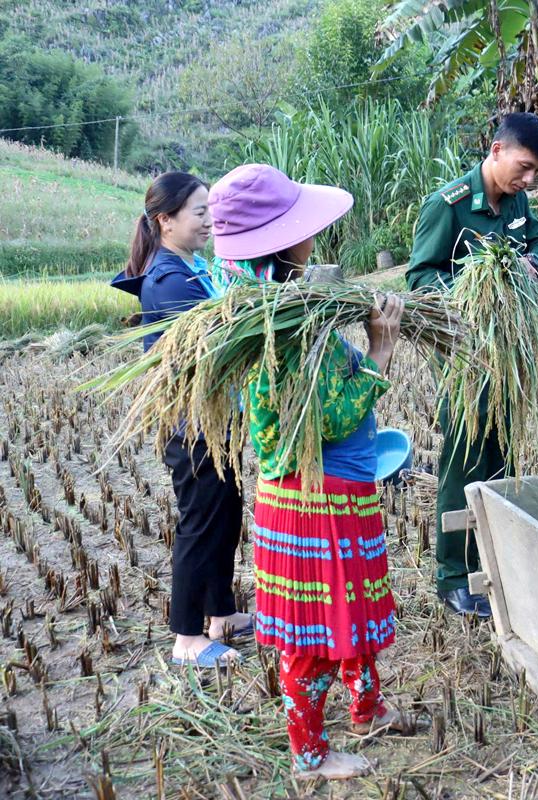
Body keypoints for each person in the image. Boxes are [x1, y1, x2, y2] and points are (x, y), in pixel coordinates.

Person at [209, 163, 410, 779]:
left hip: (334, 495)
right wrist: (378, 352)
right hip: (310, 503)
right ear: (279, 243)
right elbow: (321, 419)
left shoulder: (283, 309)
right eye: (303, 229)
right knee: (317, 635)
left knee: (353, 611)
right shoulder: (278, 330)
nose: (313, 238)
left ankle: (368, 706)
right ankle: (308, 753)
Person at [407, 112, 538, 618]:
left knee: (505, 455)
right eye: (524, 167)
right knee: (464, 458)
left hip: (510, 355)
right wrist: (473, 297)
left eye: (536, 171)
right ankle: (453, 574)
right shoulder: (446, 206)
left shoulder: (517, 202)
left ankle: (497, 560)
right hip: (466, 358)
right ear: (496, 151)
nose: (529, 179)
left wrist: (536, 264)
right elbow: (419, 277)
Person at [111, 172, 251, 668]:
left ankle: (221, 615)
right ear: (165, 221)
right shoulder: (167, 279)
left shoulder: (190, 265)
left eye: (210, 210)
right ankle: (187, 637)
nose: (209, 221)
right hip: (192, 425)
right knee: (200, 523)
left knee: (225, 515)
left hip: (218, 417)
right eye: (199, 212)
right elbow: (212, 348)